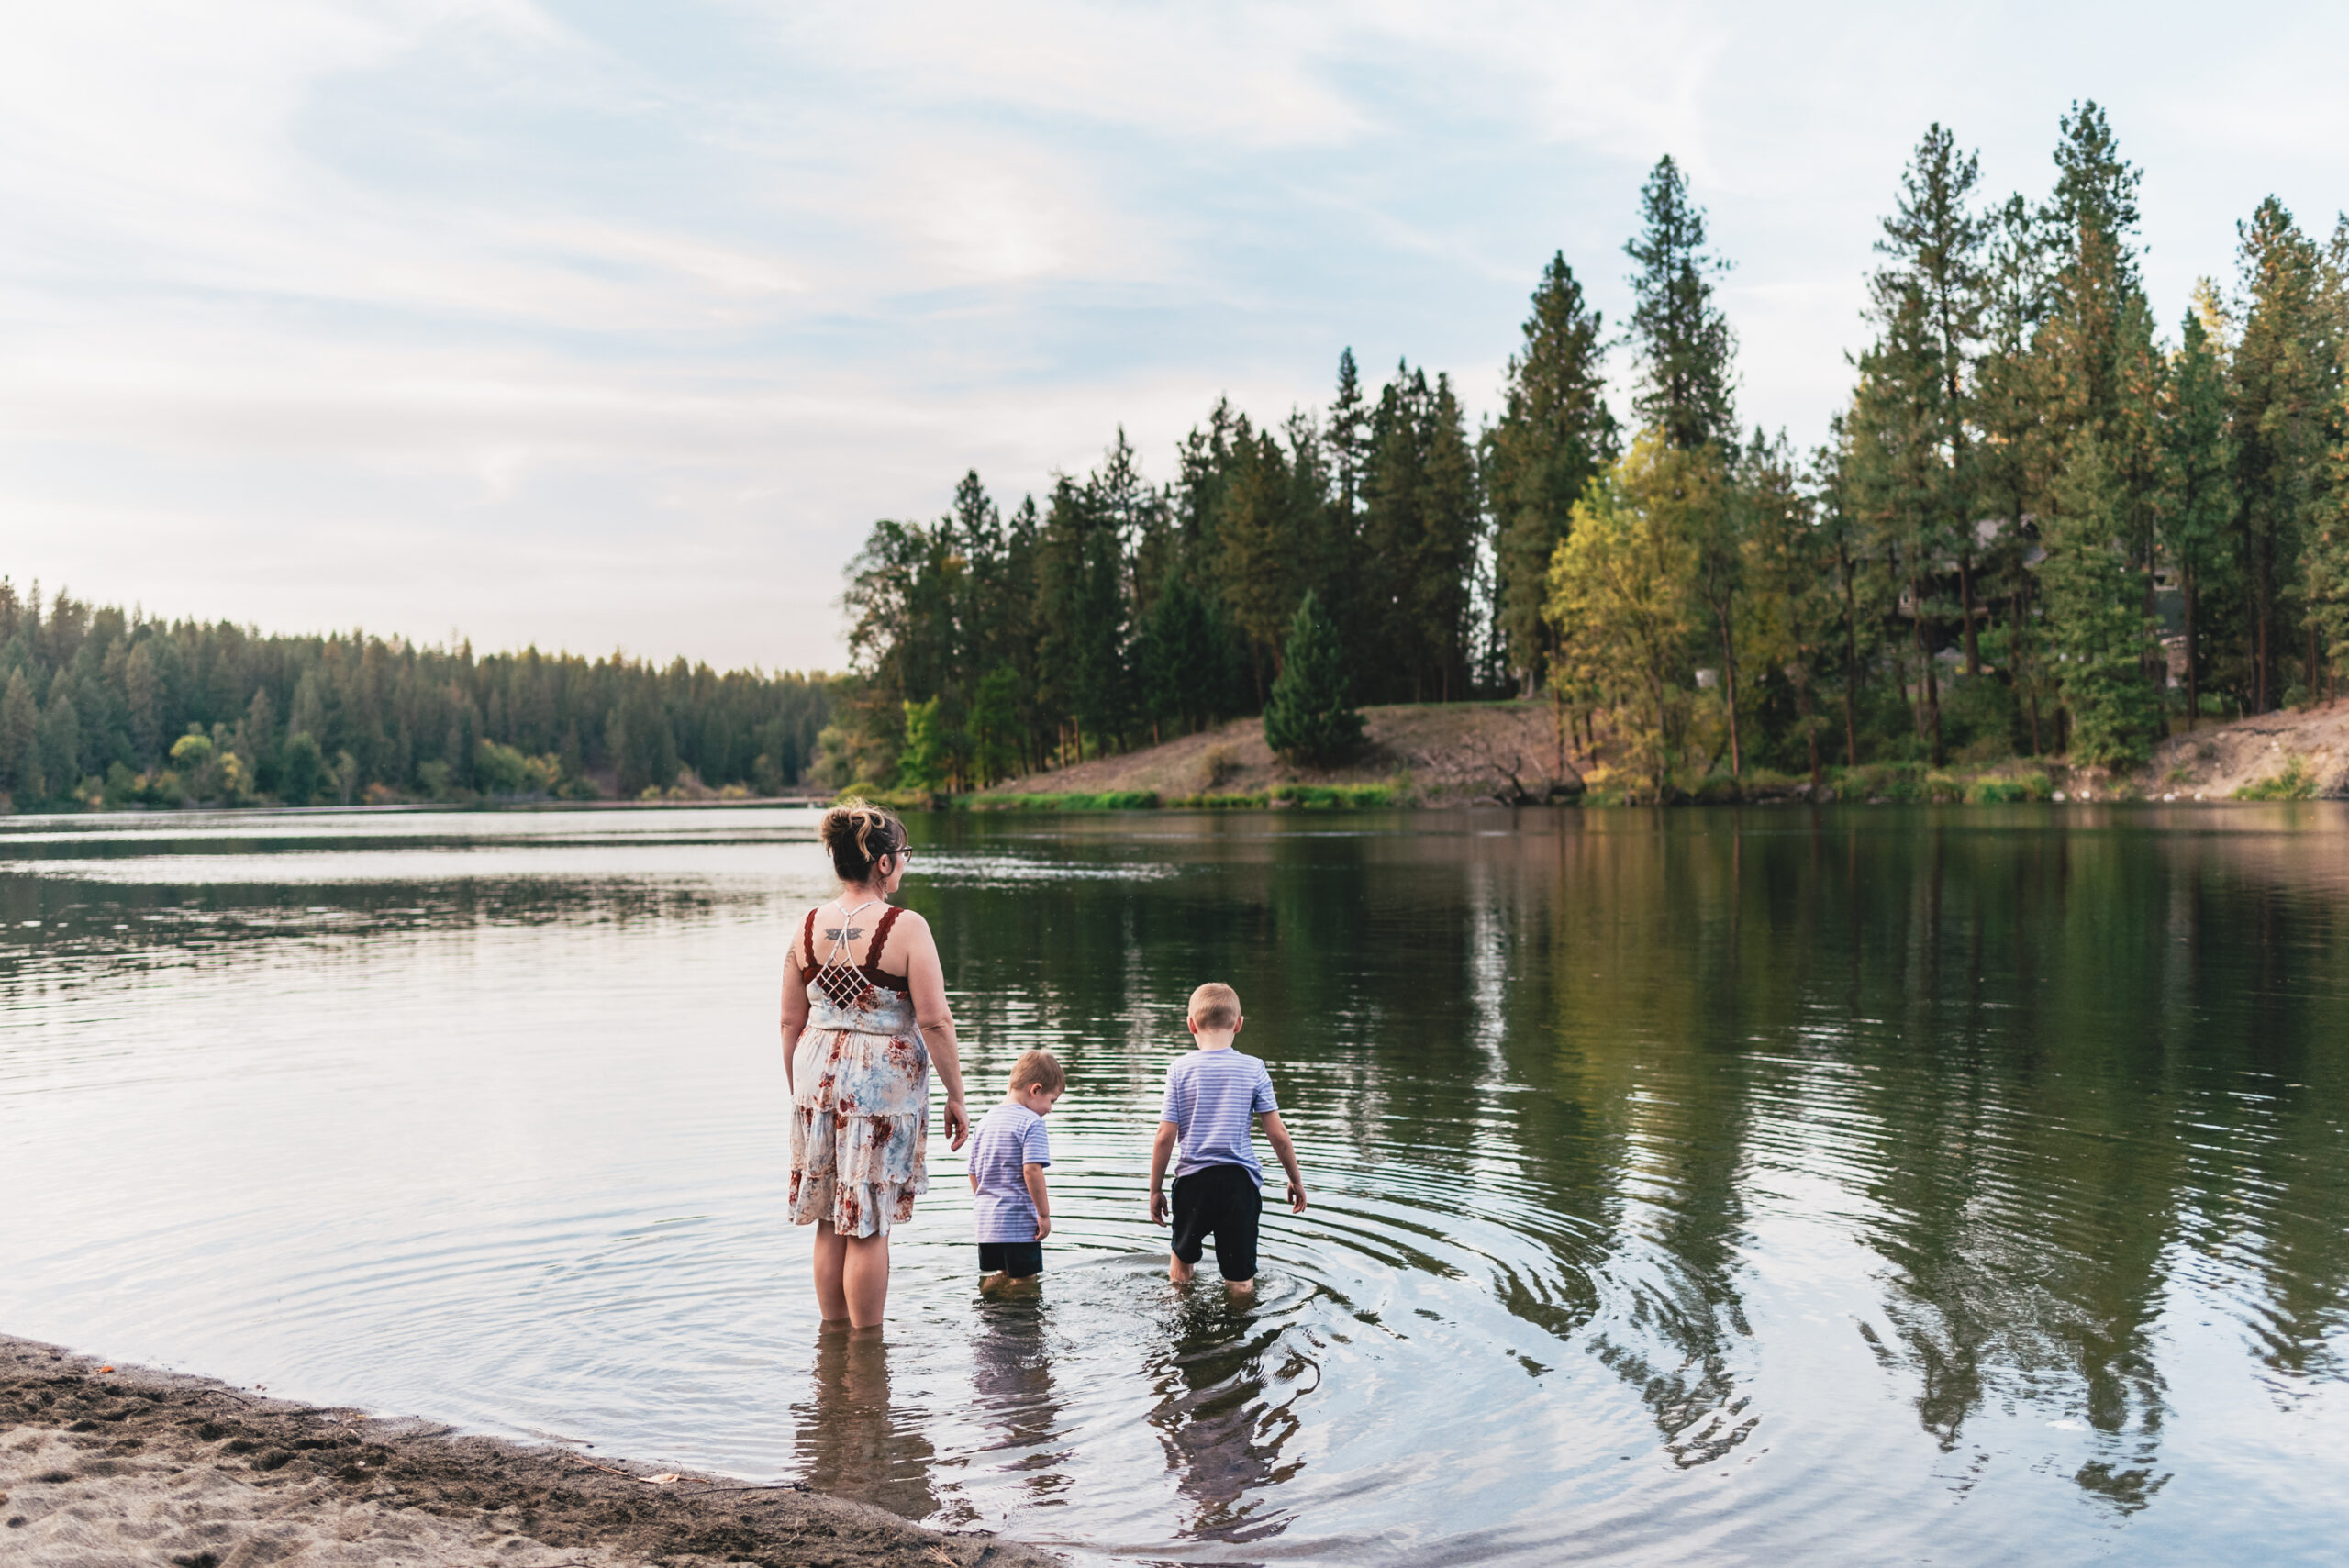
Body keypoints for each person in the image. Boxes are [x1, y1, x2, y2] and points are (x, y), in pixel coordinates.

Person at [781, 803, 970, 1328]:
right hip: (879, 1085)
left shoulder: (805, 927)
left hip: (815, 1079)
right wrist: (957, 1095)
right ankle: (867, 1351)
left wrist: (800, 1093)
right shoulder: (906, 927)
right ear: (882, 863)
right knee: (867, 1220)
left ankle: (834, 1338)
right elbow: (934, 1021)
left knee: (828, 1215)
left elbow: (788, 1022)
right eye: (903, 855)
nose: (904, 865)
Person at [1146, 983, 1307, 1295]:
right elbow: (1278, 1135)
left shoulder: (1179, 1070)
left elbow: (1165, 1135)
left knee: (1181, 1265)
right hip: (1239, 1185)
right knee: (1240, 1277)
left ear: (1191, 1024)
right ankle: (1239, 1338)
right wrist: (1295, 1179)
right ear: (1239, 1023)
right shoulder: (1253, 1068)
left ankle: (1180, 1321)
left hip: (1193, 1183)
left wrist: (1155, 1189)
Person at [968, 1050, 1064, 1294]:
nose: (1050, 1110)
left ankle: (990, 1312)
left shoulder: (984, 1122)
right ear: (1035, 1090)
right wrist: (1043, 1215)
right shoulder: (1032, 1123)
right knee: (1025, 1281)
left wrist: (987, 1203)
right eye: (1051, 1101)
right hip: (1018, 1224)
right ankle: (1019, 1327)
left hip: (986, 1224)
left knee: (999, 1275)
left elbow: (973, 1173)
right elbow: (1032, 1170)